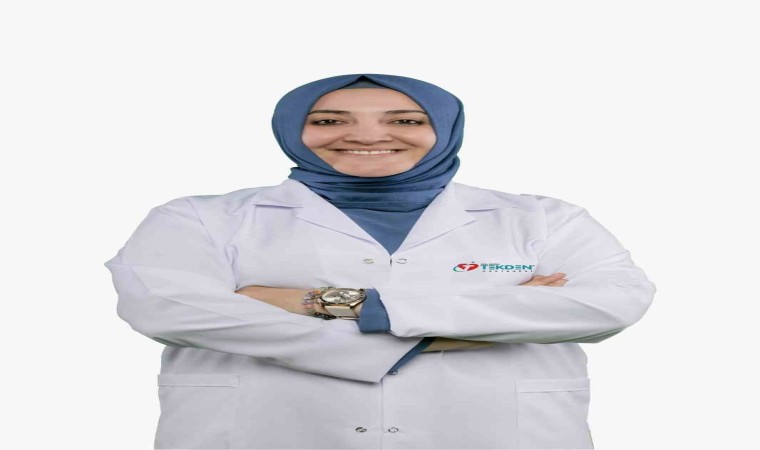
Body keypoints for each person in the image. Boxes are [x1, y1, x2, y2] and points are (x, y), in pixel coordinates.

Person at [104, 73, 656, 449]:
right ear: (291, 129)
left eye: (407, 121)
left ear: (444, 129)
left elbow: (612, 304)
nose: (367, 135)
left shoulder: (543, 218)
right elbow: (167, 309)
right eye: (328, 121)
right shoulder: (199, 218)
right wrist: (480, 323)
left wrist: (338, 305)